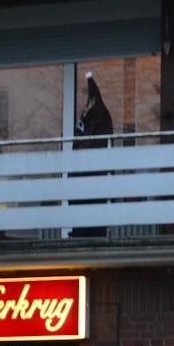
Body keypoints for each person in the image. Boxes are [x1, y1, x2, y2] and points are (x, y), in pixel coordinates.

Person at [70, 72, 115, 237]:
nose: (86, 103)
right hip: (83, 177)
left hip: (93, 176)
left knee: (93, 212)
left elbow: (95, 143)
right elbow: (79, 141)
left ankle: (89, 233)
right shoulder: (87, 118)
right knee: (83, 210)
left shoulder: (98, 117)